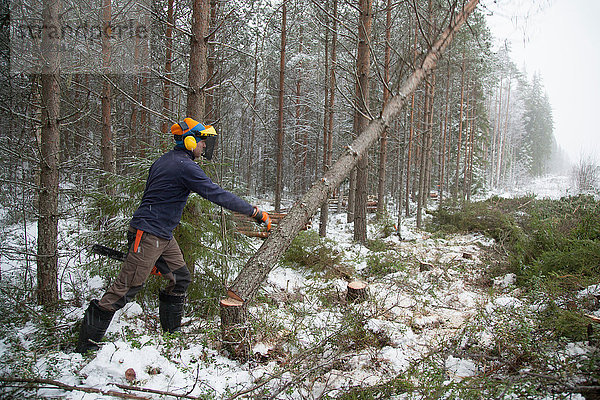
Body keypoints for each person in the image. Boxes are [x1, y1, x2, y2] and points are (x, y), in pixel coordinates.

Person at [76, 117, 271, 353]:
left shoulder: (167, 160)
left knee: (180, 278)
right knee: (125, 289)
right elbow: (216, 194)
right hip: (148, 234)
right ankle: (85, 347)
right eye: (202, 142)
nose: (204, 147)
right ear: (190, 141)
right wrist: (254, 212)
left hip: (162, 236)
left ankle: (170, 338)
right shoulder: (184, 166)